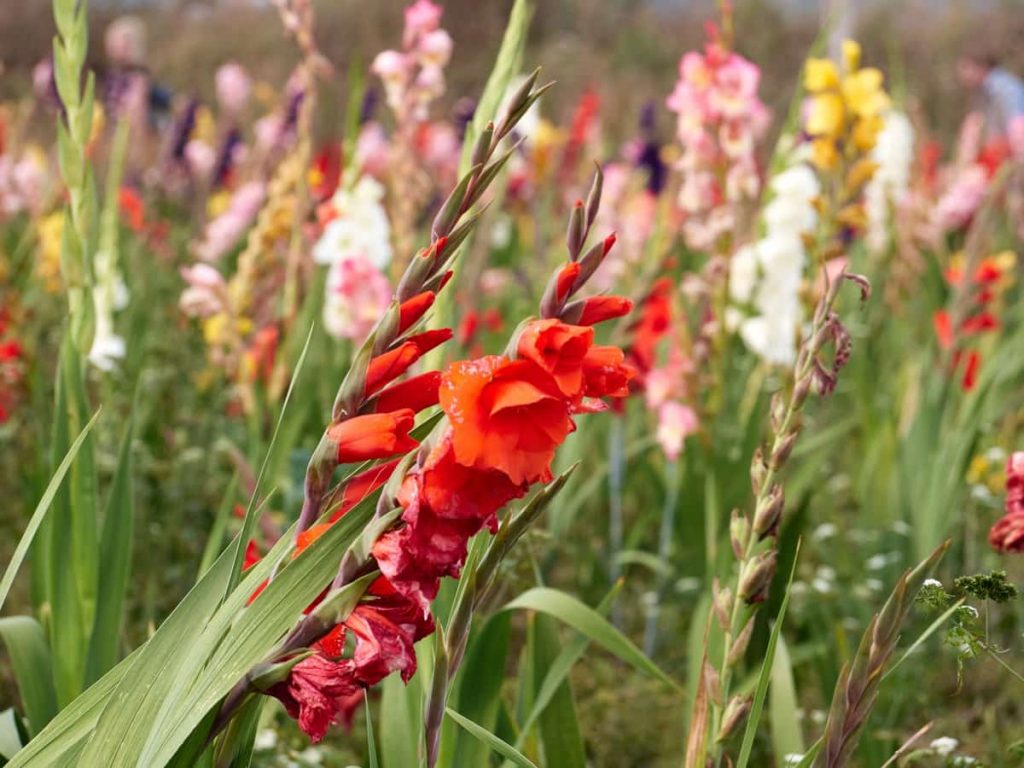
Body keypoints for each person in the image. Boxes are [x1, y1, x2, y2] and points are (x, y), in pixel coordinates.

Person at [957, 47, 1024, 141]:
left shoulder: (1004, 88)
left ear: (981, 67)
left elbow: (1018, 126)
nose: (962, 75)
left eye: (965, 68)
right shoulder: (984, 90)